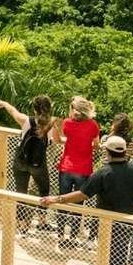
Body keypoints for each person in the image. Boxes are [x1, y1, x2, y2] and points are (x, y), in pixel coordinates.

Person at [43, 135, 133, 265]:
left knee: (106, 257)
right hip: (127, 222)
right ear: (123, 151)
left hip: (106, 223)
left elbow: (82, 194)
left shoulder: (103, 172)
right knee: (120, 256)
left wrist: (56, 199)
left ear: (107, 151)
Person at [0, 97, 54, 232]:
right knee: (44, 190)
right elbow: (54, 140)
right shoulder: (51, 124)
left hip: (21, 161)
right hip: (38, 164)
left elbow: (13, 111)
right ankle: (41, 221)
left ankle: (21, 225)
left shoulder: (26, 120)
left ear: (34, 109)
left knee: (20, 192)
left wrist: (4, 103)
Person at [53, 96, 100, 246]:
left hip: (66, 167)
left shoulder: (67, 123)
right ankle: (73, 237)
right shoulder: (93, 125)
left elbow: (59, 140)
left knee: (62, 200)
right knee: (78, 203)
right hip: (84, 169)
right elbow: (97, 145)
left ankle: (60, 235)